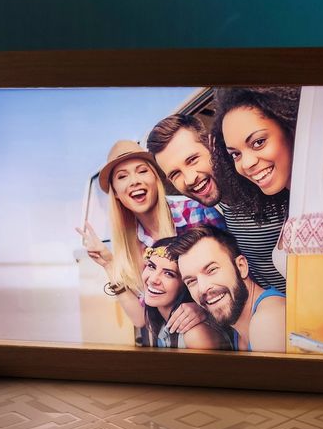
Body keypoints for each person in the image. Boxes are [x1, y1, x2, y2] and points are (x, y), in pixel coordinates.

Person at [146, 93, 298, 294]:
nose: (190, 178)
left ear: (212, 146)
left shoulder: (268, 183)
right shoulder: (212, 214)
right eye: (175, 174)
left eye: (192, 160)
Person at [76, 139, 225, 331]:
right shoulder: (132, 245)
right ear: (117, 195)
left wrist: (203, 307)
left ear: (156, 179)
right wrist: (108, 264)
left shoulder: (197, 211)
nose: (134, 181)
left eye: (142, 171)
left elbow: (239, 277)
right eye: (122, 176)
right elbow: (141, 319)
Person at [167, 225, 286, 353]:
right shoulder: (240, 327)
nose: (202, 288)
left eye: (211, 270)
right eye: (191, 281)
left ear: (241, 267)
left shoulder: (268, 320)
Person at [139, 238, 231, 350]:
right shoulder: (158, 321)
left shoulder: (195, 335)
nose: (153, 279)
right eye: (151, 266)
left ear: (186, 284)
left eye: (168, 274)